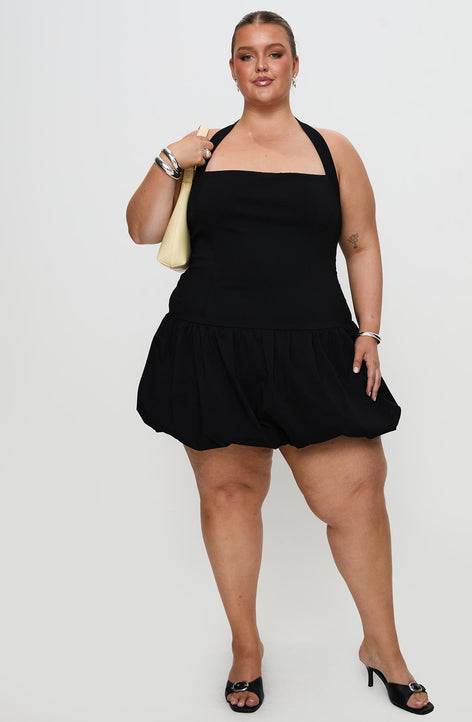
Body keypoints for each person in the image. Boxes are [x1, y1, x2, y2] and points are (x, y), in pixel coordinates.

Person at [126, 10, 434, 716]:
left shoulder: (332, 150)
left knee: (356, 499)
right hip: (213, 345)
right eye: (246, 54)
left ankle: (382, 647)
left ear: (296, 64)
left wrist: (369, 332)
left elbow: (360, 241)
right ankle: (246, 650)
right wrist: (170, 158)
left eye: (274, 53)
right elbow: (142, 229)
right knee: (229, 497)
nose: (261, 65)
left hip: (315, 346)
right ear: (232, 68)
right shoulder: (203, 149)